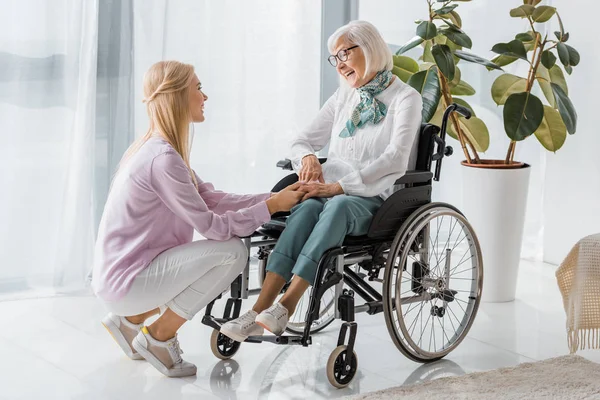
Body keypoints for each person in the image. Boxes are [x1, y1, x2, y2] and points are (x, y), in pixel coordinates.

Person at [91, 60, 304, 377]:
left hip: (120, 278)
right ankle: (159, 338)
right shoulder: (164, 160)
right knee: (232, 252)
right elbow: (212, 227)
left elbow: (213, 199)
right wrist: (271, 207)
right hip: (128, 283)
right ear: (178, 95)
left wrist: (273, 199)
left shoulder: (155, 149)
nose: (205, 97)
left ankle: (130, 322)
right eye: (198, 88)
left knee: (218, 252)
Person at [220, 20, 423, 342]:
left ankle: (288, 302)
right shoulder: (344, 97)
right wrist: (309, 158)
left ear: (368, 48)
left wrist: (339, 186)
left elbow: (396, 158)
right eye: (335, 58)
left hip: (377, 199)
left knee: (336, 205)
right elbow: (301, 140)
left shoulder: (405, 98)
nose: (340, 65)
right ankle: (259, 307)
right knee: (306, 208)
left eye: (344, 54)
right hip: (329, 194)